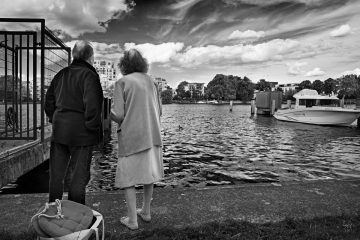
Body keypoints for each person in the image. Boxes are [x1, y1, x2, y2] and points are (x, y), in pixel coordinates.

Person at [44, 40, 104, 205]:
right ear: (90, 57)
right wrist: (92, 129)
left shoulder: (60, 74)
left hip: (60, 130)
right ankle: (76, 215)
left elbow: (48, 102)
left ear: (74, 56)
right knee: (78, 177)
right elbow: (93, 106)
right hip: (82, 134)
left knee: (56, 176)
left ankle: (53, 213)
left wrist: (55, 119)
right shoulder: (90, 76)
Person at [111, 49, 163, 230]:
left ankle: (132, 220)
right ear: (143, 63)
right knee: (148, 174)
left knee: (128, 178)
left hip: (132, 137)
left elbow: (118, 115)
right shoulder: (153, 82)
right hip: (152, 135)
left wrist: (106, 111)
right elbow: (160, 112)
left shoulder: (122, 82)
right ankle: (146, 212)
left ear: (123, 65)